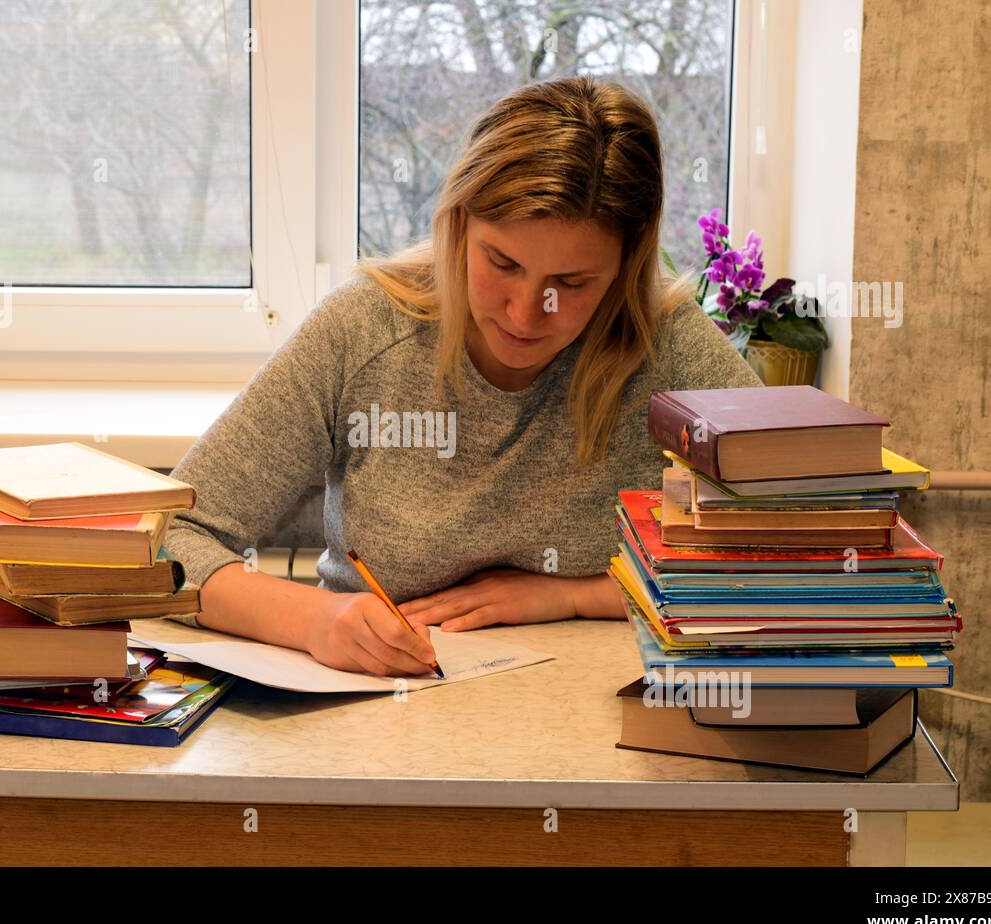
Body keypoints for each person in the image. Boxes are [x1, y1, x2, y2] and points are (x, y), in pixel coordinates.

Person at [165, 75, 762, 677]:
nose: (527, 312)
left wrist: (577, 593)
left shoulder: (669, 345)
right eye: (502, 263)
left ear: (626, 268)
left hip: (602, 733)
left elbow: (812, 548)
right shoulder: (365, 330)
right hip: (382, 716)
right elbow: (170, 542)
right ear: (457, 225)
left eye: (573, 283)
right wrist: (314, 619)